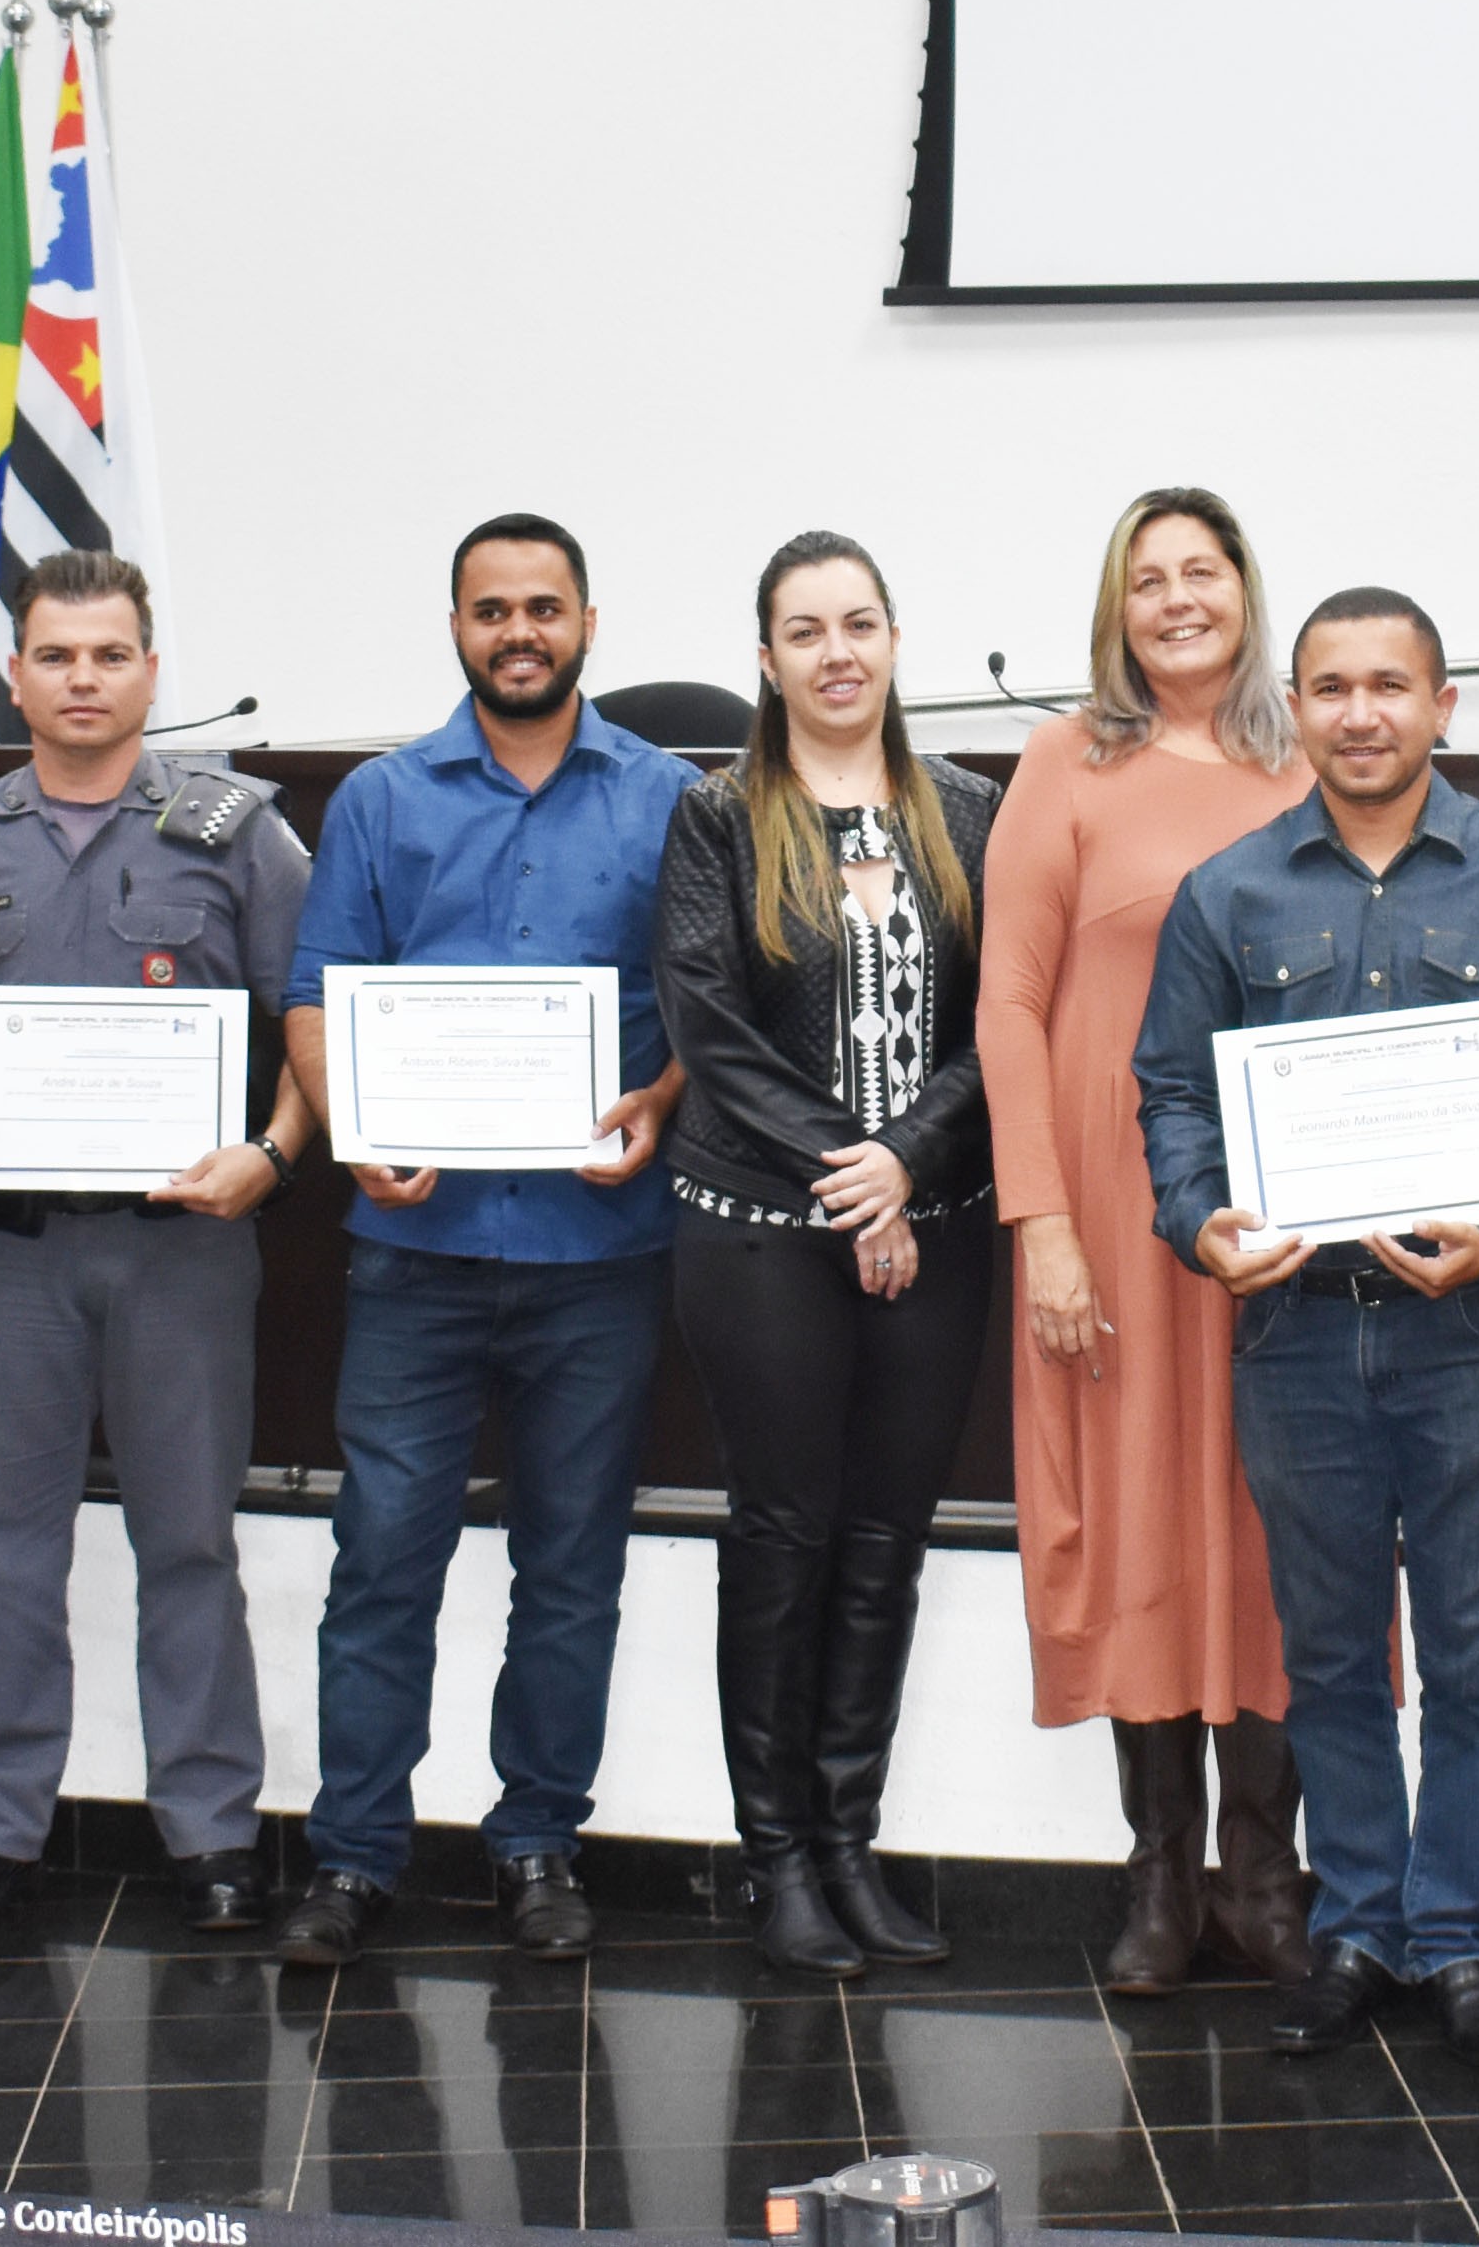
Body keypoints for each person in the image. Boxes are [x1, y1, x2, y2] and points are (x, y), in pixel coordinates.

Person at [1136, 587, 1479, 2072]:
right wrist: (1198, 1219)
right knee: (1333, 1654)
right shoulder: (1228, 895)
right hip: (1294, 1332)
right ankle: (1359, 1928)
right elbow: (1172, 1093)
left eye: (1390, 686)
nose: (1361, 713)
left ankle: (1463, 1935)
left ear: (1442, 708)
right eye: (1332, 687)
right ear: (1300, 707)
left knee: (1475, 1653)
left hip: (1469, 1329)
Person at [271, 513, 694, 1967]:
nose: (519, 630)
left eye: (544, 606)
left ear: (588, 619)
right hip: (419, 1254)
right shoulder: (385, 800)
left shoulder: (666, 798)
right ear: (456, 626)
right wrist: (349, 1123)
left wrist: (662, 1098)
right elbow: (317, 996)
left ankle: (536, 1844)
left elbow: (705, 1011)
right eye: (490, 609)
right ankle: (352, 1855)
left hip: (600, 1251)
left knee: (570, 1566)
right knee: (382, 1556)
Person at [0, 552, 316, 1943]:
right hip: (8, 1254)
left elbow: (314, 1023)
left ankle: (209, 1831)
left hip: (179, 1253)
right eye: (57, 655)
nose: (83, 679)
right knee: (3, 1544)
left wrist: (274, 1149)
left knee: (189, 1543)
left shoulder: (242, 835)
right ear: (14, 673)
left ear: (149, 671)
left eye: (111, 655)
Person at [970, 488, 1322, 1996]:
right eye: (1149, 579)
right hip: (1113, 1220)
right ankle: (1162, 1884)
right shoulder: (1069, 762)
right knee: (1134, 1527)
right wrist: (1041, 1224)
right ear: (1117, 607)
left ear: (1248, 589)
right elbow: (1008, 1005)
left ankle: (1268, 1880)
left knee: (1278, 1525)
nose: (1179, 599)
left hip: (1289, 1220)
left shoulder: (1317, 755)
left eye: (1205, 571)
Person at [656, 531, 1008, 1978]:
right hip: (760, 1237)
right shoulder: (720, 817)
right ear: (766, 657)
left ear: (895, 639)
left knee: (886, 1544)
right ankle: (779, 1860)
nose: (836, 651)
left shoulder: (972, 814)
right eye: (805, 630)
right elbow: (707, 1020)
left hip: (938, 1235)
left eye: (859, 623)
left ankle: (852, 1848)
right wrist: (848, 1169)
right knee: (785, 1538)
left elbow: (1013, 1021)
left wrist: (911, 1158)